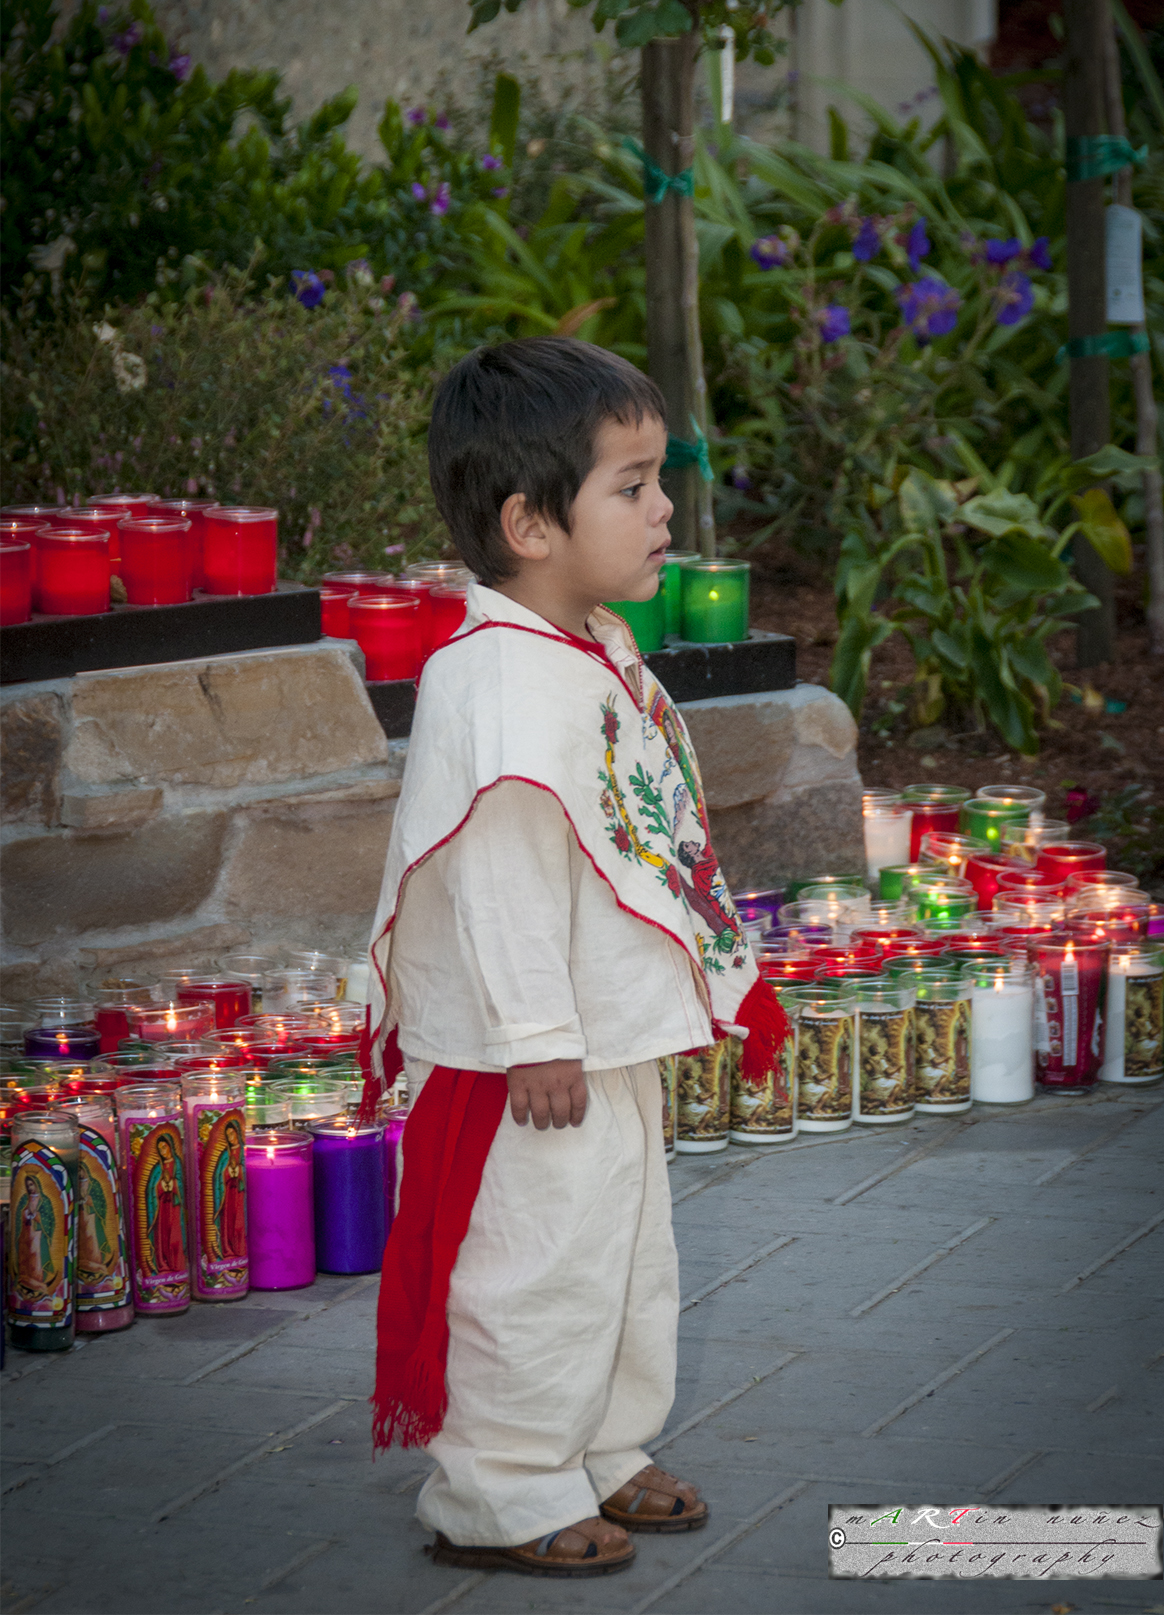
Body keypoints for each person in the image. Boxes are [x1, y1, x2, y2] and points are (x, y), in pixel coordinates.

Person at [362, 338, 788, 1580]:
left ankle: (600, 1445)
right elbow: (498, 883)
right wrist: (537, 1039)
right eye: (634, 485)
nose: (666, 511)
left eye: (661, 481)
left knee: (624, 1256)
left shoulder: (585, 644)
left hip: (600, 1039)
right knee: (533, 1269)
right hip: (529, 1062)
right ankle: (501, 1486)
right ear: (529, 524)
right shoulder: (496, 679)